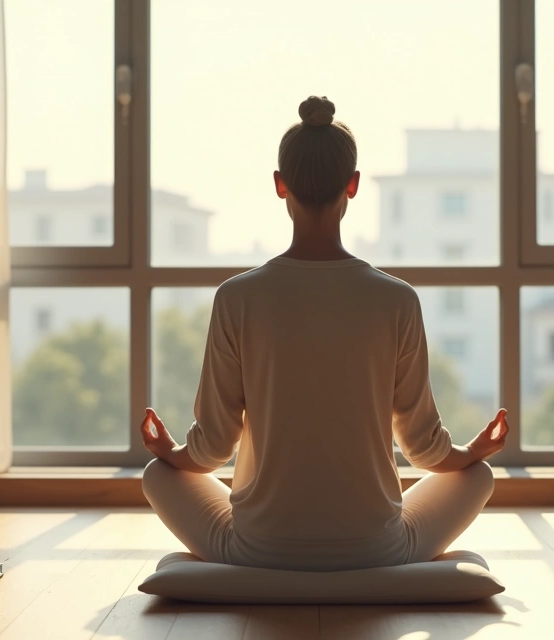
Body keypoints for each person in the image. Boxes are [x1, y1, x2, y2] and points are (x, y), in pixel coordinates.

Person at [139, 96, 508, 572]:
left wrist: (167, 451)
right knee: (477, 476)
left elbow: (211, 449)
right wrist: (475, 451)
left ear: (279, 185)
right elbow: (425, 449)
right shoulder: (397, 299)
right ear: (352, 186)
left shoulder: (237, 297)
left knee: (156, 476)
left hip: (257, 550)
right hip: (378, 550)